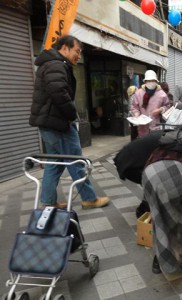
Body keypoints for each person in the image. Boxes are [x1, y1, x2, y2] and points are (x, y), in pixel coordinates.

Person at [29, 35, 110, 209]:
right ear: (65, 48)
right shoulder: (56, 65)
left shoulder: (52, 64)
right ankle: (89, 198)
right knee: (76, 162)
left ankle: (48, 202)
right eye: (77, 51)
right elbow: (59, 92)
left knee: (54, 165)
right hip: (59, 124)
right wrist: (72, 114)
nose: (78, 56)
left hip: (50, 123)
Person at [142, 123, 182, 274]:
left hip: (150, 176)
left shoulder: (160, 146)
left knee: (159, 219)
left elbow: (147, 164)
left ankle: (158, 260)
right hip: (178, 179)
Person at [132, 70, 170, 137]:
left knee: (155, 146)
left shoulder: (162, 94)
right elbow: (135, 107)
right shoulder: (138, 93)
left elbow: (167, 106)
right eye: (149, 81)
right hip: (142, 127)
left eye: (153, 81)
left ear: (156, 81)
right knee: (144, 146)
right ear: (145, 81)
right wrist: (136, 114)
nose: (151, 83)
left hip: (156, 126)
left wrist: (160, 110)